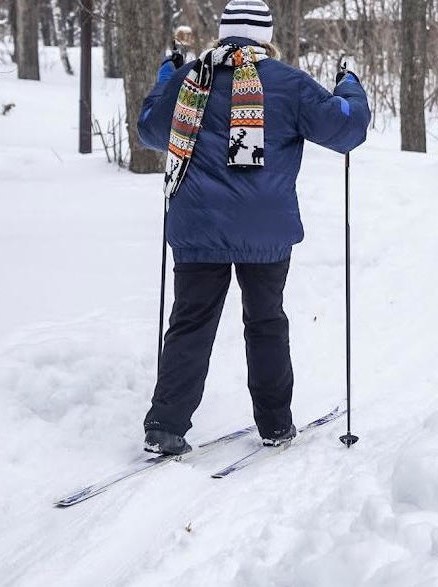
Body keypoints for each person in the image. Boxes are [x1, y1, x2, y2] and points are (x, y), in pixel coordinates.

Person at [136, 0, 371, 456]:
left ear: (222, 34)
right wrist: (350, 84)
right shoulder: (288, 83)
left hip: (198, 226)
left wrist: (167, 75)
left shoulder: (191, 79)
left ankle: (165, 425)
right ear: (266, 36)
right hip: (265, 229)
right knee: (265, 321)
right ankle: (276, 426)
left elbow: (151, 129)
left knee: (190, 323)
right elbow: (347, 130)